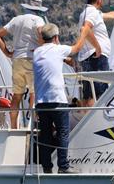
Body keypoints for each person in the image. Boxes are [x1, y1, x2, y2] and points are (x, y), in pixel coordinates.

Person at [32, 22, 91, 174]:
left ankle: (46, 167)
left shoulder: (37, 52)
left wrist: (65, 59)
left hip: (41, 102)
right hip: (57, 99)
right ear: (56, 37)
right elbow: (76, 48)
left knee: (44, 134)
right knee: (63, 133)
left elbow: (50, 60)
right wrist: (84, 32)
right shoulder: (59, 49)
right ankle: (63, 166)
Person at [0, 0, 48, 129]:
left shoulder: (17, 19)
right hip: (31, 58)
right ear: (38, 10)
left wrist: (7, 52)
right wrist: (41, 47)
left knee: (16, 96)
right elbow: (42, 33)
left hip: (17, 59)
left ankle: (13, 127)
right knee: (34, 93)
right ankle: (33, 124)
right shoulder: (38, 20)